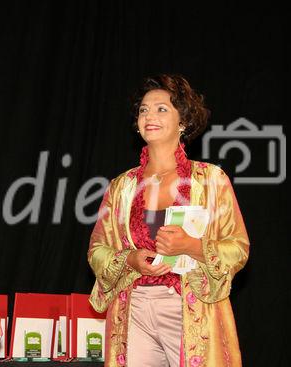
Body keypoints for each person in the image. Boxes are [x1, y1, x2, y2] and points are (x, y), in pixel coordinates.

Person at [88, 74, 249, 367]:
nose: (149, 115)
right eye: (144, 109)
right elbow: (98, 250)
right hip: (134, 307)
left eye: (162, 108)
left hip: (190, 305)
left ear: (183, 120)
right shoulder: (121, 186)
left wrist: (192, 246)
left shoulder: (210, 180)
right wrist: (129, 259)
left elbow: (238, 247)